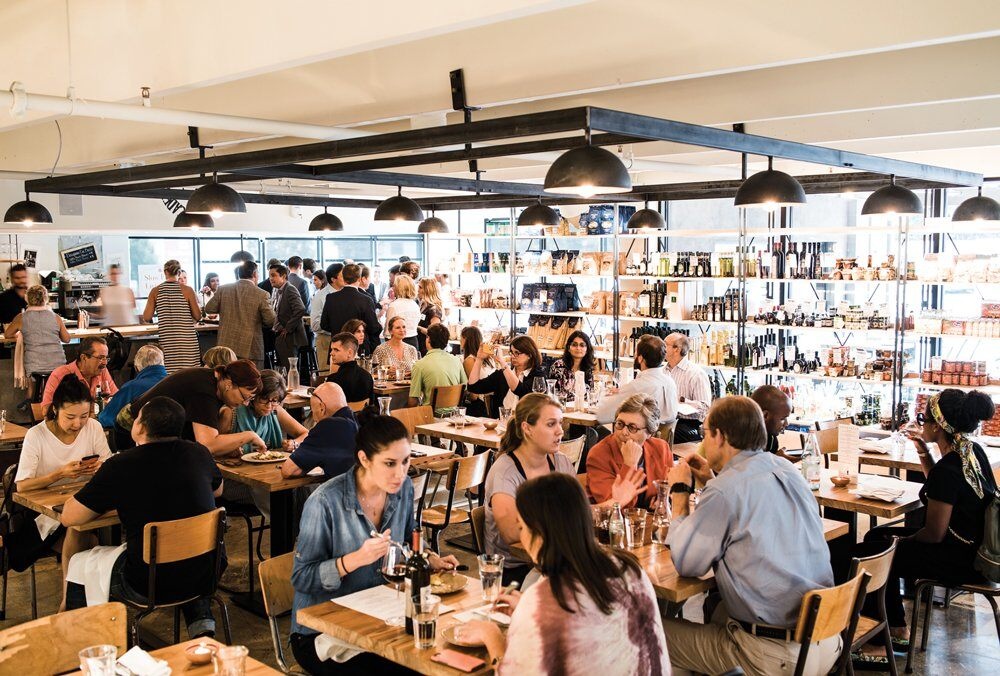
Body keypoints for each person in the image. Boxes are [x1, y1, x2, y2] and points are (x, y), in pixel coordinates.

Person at [662, 396, 840, 676]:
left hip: (772, 657)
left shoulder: (725, 491)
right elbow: (749, 509)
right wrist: (712, 480)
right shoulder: (789, 472)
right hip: (825, 641)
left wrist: (680, 493)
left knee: (646, 628)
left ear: (720, 436)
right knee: (718, 611)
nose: (703, 439)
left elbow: (687, 564)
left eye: (705, 432)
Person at [290, 416, 458, 675]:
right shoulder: (324, 502)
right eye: (389, 463)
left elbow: (408, 537)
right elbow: (301, 578)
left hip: (377, 620)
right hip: (321, 632)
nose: (400, 473)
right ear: (364, 459)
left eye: (405, 461)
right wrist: (354, 559)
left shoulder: (401, 491)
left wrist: (428, 555)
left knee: (438, 657)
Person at [463, 473, 670, 675]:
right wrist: (526, 611)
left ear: (541, 535)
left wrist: (493, 637)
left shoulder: (539, 602)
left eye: (521, 528)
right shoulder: (630, 570)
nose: (522, 539)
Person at [848, 390, 997, 662]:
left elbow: (933, 533)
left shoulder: (950, 469)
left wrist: (898, 543)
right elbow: (943, 490)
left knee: (873, 554)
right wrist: (922, 450)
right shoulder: (972, 453)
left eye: (923, 418)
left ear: (939, 425)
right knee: (876, 536)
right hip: (975, 552)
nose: (921, 423)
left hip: (957, 560)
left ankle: (886, 639)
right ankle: (892, 626)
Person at [61, 397, 224, 640]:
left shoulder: (120, 465)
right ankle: (202, 629)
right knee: (185, 556)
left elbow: (69, 517)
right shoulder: (199, 452)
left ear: (140, 427)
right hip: (207, 573)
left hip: (146, 583)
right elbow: (217, 490)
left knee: (80, 562)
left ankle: (84, 642)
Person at [16, 378, 111, 610]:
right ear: (55, 409)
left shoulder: (94, 427)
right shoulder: (36, 435)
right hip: (43, 516)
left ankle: (78, 601)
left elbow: (108, 462)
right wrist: (58, 474)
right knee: (82, 534)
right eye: (70, 417)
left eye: (84, 415)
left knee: (86, 530)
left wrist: (101, 467)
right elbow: (22, 486)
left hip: (84, 502)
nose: (78, 424)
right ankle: (73, 601)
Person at [483, 393, 577, 586]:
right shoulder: (505, 471)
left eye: (561, 422)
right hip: (514, 572)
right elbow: (512, 533)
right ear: (527, 428)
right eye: (551, 424)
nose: (560, 431)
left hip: (555, 559)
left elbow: (577, 512)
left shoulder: (561, 462)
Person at [122, 359, 264, 456]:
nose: (245, 403)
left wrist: (227, 447)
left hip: (160, 437)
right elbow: (208, 444)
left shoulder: (214, 382)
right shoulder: (204, 391)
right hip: (135, 430)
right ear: (229, 384)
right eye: (244, 397)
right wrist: (249, 435)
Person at [587, 394, 673, 508]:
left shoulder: (661, 448)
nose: (624, 432)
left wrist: (663, 499)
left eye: (632, 427)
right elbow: (617, 509)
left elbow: (672, 488)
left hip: (649, 521)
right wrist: (629, 464)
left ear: (649, 433)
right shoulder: (599, 455)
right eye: (620, 424)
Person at [206, 260, 277, 367]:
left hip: (226, 348)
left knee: (226, 380)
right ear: (254, 274)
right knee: (251, 381)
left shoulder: (223, 289)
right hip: (251, 348)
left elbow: (209, 309)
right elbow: (271, 320)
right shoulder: (261, 294)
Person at [595, 334, 677, 427]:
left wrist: (607, 394)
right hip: (665, 437)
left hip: (642, 439)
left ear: (641, 358)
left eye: (635, 352)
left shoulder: (637, 386)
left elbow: (602, 414)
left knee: (597, 431)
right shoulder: (670, 381)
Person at [219, 369, 308, 454]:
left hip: (267, 467)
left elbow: (306, 434)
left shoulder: (275, 410)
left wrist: (294, 443)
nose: (269, 406)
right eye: (264, 399)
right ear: (253, 396)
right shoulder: (231, 411)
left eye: (274, 401)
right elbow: (216, 446)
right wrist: (230, 449)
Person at [281, 382, 358, 479]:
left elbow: (288, 471)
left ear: (322, 408)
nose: (314, 418)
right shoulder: (357, 421)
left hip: (345, 491)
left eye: (312, 411)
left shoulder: (327, 427)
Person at [4, 284, 71, 395]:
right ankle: (56, 409)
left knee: (32, 386)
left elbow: (7, 334)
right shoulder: (55, 317)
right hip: (57, 364)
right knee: (58, 389)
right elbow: (67, 339)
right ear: (46, 299)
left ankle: (33, 407)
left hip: (35, 365)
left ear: (27, 299)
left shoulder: (21, 317)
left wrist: (21, 333)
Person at [141, 259, 202, 373]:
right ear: (179, 273)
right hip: (187, 340)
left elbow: (147, 317)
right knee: (190, 373)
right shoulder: (187, 290)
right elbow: (198, 316)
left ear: (165, 272)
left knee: (170, 375)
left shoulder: (155, 291)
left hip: (167, 341)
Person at [468, 335, 546, 418]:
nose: (512, 356)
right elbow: (473, 387)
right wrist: (479, 359)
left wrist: (502, 362)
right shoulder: (502, 374)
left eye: (517, 353)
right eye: (511, 352)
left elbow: (520, 390)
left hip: (527, 424)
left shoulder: (538, 375)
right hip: (501, 423)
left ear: (529, 355)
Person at [98, 345, 167, 435]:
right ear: (162, 363)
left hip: (139, 442)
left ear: (137, 367)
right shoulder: (175, 382)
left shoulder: (131, 388)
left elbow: (106, 418)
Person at [41, 336, 118, 414]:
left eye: (106, 358)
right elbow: (47, 410)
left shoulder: (102, 371)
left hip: (97, 423)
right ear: (84, 358)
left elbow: (117, 398)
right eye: (100, 358)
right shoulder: (60, 374)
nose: (105, 363)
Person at [320, 263, 381, 356]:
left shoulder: (331, 298)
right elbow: (373, 327)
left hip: (337, 347)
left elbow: (324, 324)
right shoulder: (365, 300)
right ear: (359, 279)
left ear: (343, 278)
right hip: (359, 349)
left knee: (337, 370)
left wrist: (339, 330)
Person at [408, 324, 467, 415]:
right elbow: (465, 389)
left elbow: (413, 402)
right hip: (455, 416)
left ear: (428, 339)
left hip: (431, 417)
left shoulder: (420, 365)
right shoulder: (456, 361)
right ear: (447, 341)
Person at [664, 332, 712, 443]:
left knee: (669, 433)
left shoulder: (696, 374)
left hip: (687, 424)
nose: (661, 347)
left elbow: (704, 408)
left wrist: (683, 403)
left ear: (677, 349)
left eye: (665, 344)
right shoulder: (662, 371)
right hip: (664, 420)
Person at [269, 264, 308, 368]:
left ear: (283, 276)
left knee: (290, 369)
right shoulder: (276, 290)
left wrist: (288, 328)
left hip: (289, 336)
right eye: (270, 276)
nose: (271, 279)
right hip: (280, 335)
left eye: (273, 275)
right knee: (284, 369)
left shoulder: (290, 289)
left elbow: (300, 309)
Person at [750, 384, 797, 462]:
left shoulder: (771, 437)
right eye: (782, 419)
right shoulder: (743, 441)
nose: (786, 424)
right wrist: (775, 460)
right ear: (765, 416)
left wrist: (779, 459)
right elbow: (747, 469)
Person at [325, 332, 374, 404]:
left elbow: (328, 407)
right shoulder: (367, 376)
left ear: (349, 353)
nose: (331, 353)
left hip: (342, 415)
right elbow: (371, 406)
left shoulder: (334, 380)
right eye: (331, 349)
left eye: (336, 350)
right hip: (363, 415)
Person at [547, 330, 595, 401]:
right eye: (574, 344)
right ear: (568, 348)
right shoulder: (558, 366)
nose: (578, 348)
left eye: (582, 345)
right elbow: (554, 394)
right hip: (562, 407)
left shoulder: (588, 368)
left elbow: (590, 393)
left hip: (582, 408)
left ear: (587, 349)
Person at [460, 326, 496, 418]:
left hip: (482, 407)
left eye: (461, 338)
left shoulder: (470, 360)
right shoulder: (489, 358)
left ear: (465, 339)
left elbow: (474, 395)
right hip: (494, 402)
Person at [310, 269, 334, 373]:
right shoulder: (320, 295)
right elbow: (315, 325)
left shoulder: (342, 293)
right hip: (325, 338)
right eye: (313, 280)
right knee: (325, 373)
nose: (314, 282)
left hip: (338, 340)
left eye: (315, 280)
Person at [416, 277, 443, 356]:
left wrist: (417, 327)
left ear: (427, 290)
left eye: (420, 287)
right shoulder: (422, 306)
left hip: (428, 350)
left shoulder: (434, 309)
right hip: (420, 346)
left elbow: (434, 332)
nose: (418, 290)